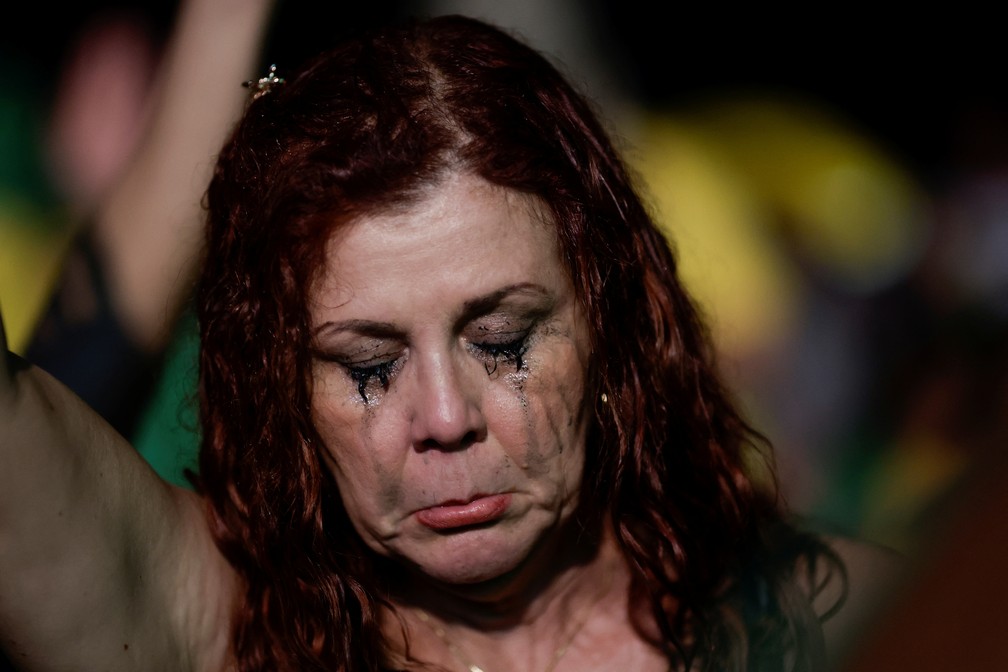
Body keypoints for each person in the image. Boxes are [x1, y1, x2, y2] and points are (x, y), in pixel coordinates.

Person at [1, 14, 897, 672]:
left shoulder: (835, 619)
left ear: (609, 329)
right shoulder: (216, 628)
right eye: (369, 367)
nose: (442, 417)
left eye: (503, 341)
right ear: (285, 390)